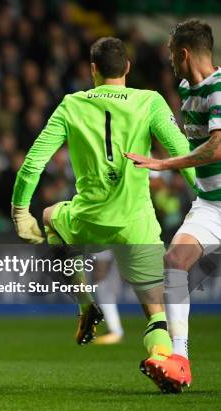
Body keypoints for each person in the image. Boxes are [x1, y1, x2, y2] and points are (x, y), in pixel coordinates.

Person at [11, 37, 196, 391]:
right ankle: (161, 359)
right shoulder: (149, 101)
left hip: (88, 219)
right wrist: (208, 198)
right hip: (136, 222)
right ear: (126, 68)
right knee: (156, 313)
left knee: (50, 216)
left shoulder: (71, 105)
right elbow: (182, 153)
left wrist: (20, 211)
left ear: (92, 69)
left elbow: (33, 162)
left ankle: (84, 303)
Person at [125, 19, 221, 391]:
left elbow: (216, 147)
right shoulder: (185, 88)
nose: (168, 61)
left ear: (183, 54)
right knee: (174, 264)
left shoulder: (218, 90)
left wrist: (165, 164)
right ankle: (179, 360)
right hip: (211, 205)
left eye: (170, 54)